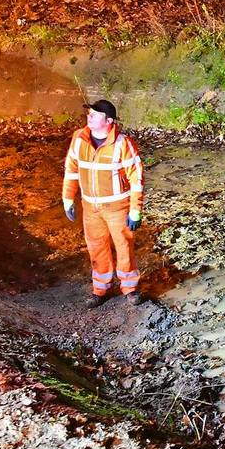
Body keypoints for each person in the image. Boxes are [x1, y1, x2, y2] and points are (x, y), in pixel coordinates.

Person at [62, 99, 144, 308]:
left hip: (117, 208)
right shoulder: (79, 139)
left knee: (124, 246)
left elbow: (136, 178)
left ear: (109, 121)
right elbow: (71, 170)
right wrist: (68, 198)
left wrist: (135, 210)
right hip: (91, 208)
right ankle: (100, 289)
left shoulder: (123, 144)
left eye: (94, 114)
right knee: (96, 248)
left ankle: (130, 289)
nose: (89, 117)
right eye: (89, 113)